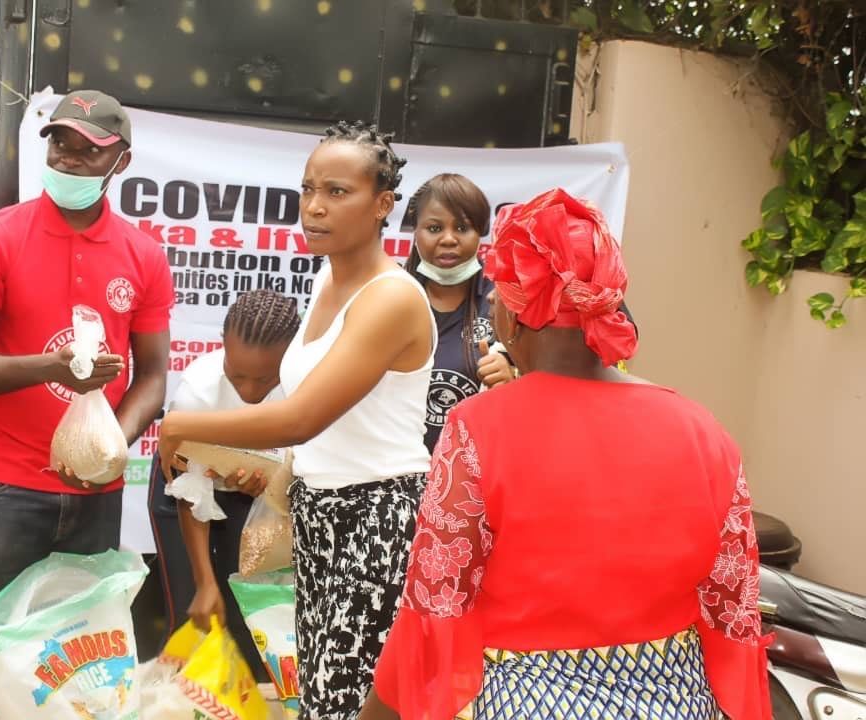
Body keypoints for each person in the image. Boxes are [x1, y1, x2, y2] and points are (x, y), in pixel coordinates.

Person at [361, 188, 771, 720]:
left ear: (513, 316)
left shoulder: (478, 429)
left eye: (497, 293)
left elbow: (437, 600)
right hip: (677, 699)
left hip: (526, 700)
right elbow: (732, 607)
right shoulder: (701, 429)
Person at [157, 121, 436, 719]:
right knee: (318, 695)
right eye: (308, 189)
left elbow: (301, 417)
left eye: (337, 192)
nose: (314, 207)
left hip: (376, 519)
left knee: (346, 703)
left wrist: (182, 427)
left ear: (383, 204)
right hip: (320, 512)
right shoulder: (326, 277)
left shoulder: (391, 297)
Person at [0, 90, 174, 720]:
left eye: (88, 151)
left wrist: (107, 447)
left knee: (76, 668)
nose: (68, 159)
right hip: (5, 489)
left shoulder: (143, 256)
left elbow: (153, 376)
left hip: (96, 494)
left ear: (120, 162)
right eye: (61, 145)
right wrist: (49, 367)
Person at [148, 289, 300, 683]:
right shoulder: (197, 393)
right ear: (223, 347)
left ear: (291, 356)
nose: (248, 392)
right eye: (237, 377)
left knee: (249, 613)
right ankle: (180, 702)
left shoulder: (306, 389)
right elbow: (191, 493)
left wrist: (268, 486)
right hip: (186, 494)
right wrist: (204, 582)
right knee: (194, 610)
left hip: (257, 502)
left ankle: (245, 700)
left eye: (264, 379)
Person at [403, 173, 515, 453]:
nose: (448, 239)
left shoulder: (502, 300)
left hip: (474, 468)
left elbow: (539, 389)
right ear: (415, 231)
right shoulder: (390, 295)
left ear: (480, 233)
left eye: (463, 228)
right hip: (395, 470)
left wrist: (511, 378)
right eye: (434, 228)